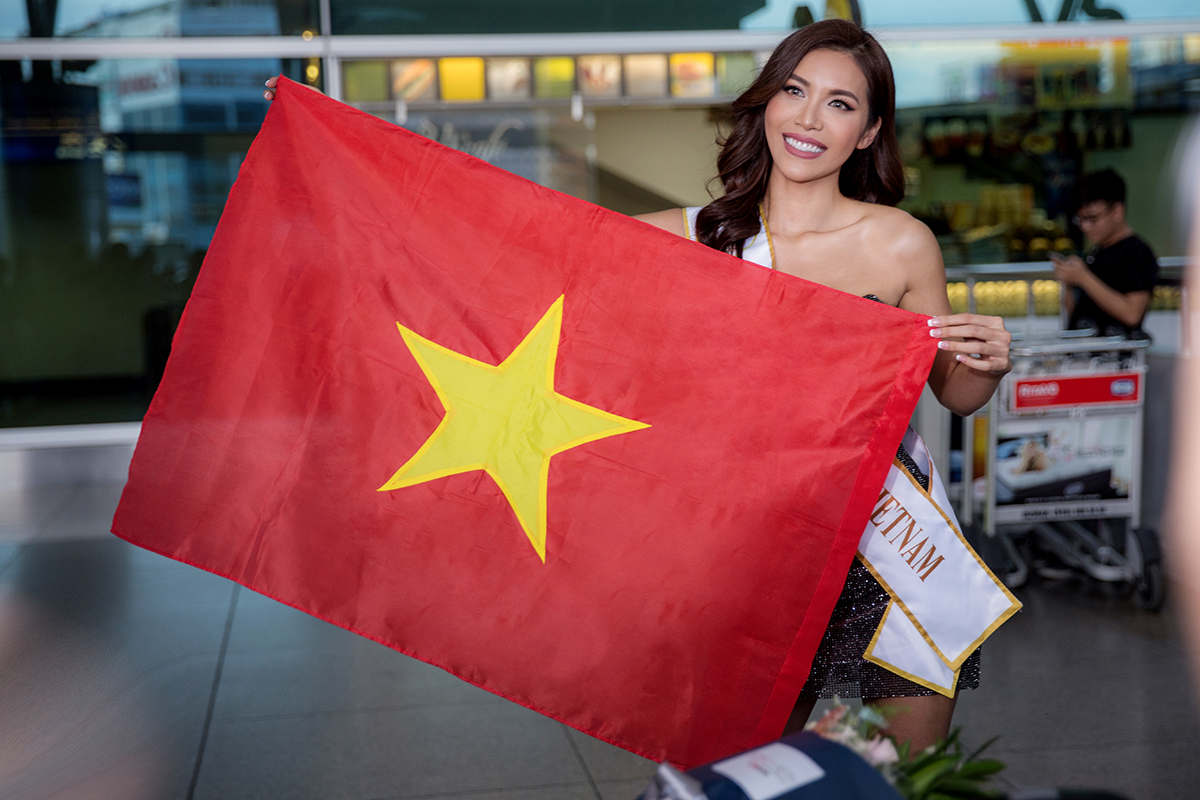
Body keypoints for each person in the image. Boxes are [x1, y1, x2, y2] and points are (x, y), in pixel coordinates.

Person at [262, 20, 1012, 751]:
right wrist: (338, 140)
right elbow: (517, 238)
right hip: (765, 550)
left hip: (889, 541)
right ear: (768, 102)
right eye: (794, 90)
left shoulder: (899, 244)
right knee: (758, 776)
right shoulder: (697, 237)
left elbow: (955, 393)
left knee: (910, 779)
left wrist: (983, 366)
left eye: (839, 103)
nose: (810, 118)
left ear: (870, 131)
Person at [1052, 169, 1158, 337]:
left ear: (1117, 211)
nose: (1085, 226)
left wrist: (1084, 278)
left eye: (1092, 218)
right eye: (1080, 219)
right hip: (1083, 348)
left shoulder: (1137, 253)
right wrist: (1069, 281)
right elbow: (1075, 311)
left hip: (1113, 351)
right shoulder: (1095, 253)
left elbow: (1132, 314)